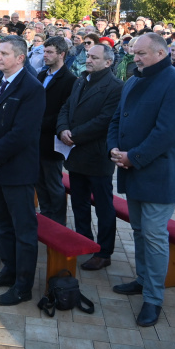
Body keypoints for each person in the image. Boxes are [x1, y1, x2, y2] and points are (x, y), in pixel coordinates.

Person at [108, 33, 175, 327]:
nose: (136, 58)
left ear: (161, 53)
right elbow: (117, 119)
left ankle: (154, 298)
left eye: (142, 53)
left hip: (159, 172)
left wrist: (134, 156)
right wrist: (114, 149)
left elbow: (167, 133)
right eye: (135, 53)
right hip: (132, 168)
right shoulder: (133, 80)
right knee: (138, 230)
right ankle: (142, 280)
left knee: (155, 235)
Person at [0, 36, 44, 306]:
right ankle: (8, 271)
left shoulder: (32, 88)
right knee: (3, 225)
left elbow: (22, 134)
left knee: (23, 230)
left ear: (20, 58)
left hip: (16, 171)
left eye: (4, 53)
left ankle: (23, 285)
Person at [57, 44, 123, 270]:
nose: (89, 60)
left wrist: (74, 135)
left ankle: (104, 252)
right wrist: (63, 129)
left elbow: (105, 120)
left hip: (96, 156)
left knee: (104, 207)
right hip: (75, 154)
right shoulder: (80, 80)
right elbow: (65, 107)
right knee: (79, 204)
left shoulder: (115, 87)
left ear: (108, 62)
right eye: (88, 56)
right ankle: (83, 241)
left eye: (95, 57)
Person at [35, 36, 76, 224]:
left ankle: (58, 222)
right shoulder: (42, 75)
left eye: (50, 52)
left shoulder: (69, 80)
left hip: (53, 140)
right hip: (36, 139)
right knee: (39, 181)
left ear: (62, 54)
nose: (45, 55)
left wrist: (37, 123)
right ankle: (45, 215)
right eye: (44, 51)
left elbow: (64, 111)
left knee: (53, 183)